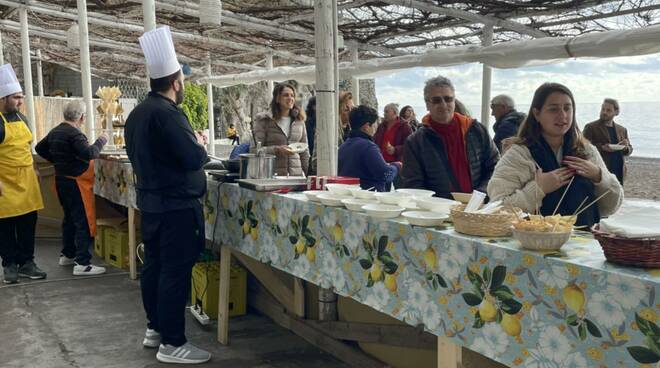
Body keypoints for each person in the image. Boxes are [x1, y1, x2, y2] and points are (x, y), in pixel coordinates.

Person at [124, 27, 211, 364]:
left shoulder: (137, 114)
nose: (184, 86)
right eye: (183, 81)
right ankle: (173, 343)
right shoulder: (168, 114)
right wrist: (201, 146)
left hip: (152, 203)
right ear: (176, 82)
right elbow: (192, 157)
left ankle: (155, 329)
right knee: (175, 272)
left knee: (155, 268)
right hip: (176, 206)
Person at [487, 83, 622, 228]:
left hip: (585, 245)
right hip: (532, 245)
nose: (562, 115)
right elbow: (497, 208)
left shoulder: (586, 151)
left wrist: (599, 176)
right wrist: (538, 188)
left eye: (567, 108)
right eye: (553, 109)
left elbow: (613, 206)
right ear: (537, 113)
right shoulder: (519, 155)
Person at [35, 101, 108, 275]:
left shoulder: (56, 131)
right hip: (76, 182)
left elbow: (39, 148)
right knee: (82, 221)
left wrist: (58, 161)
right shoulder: (75, 134)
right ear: (82, 117)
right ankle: (82, 263)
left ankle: (67, 254)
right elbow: (90, 153)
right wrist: (101, 140)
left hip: (60, 180)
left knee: (69, 218)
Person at [401, 76, 499, 198]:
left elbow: (495, 167)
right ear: (427, 104)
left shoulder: (476, 130)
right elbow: (413, 184)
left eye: (448, 99)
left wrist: (480, 195)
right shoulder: (415, 142)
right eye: (436, 100)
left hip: (477, 208)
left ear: (454, 101)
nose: (443, 104)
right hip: (437, 212)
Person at [0, 63, 46, 284]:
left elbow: (27, 146)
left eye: (20, 97)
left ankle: (27, 262)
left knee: (28, 222)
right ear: (3, 98)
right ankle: (9, 265)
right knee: (5, 226)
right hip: (4, 182)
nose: (20, 101)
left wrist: (35, 168)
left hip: (27, 179)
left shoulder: (22, 119)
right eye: (16, 97)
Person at [253, 82, 309, 176]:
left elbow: (305, 151)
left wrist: (308, 175)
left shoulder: (299, 121)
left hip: (295, 177)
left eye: (292, 95)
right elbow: (255, 150)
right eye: (286, 95)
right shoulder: (264, 120)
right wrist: (276, 149)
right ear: (277, 98)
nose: (290, 98)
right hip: (272, 175)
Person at [339, 105, 400, 192]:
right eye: (375, 123)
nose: (376, 126)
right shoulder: (368, 147)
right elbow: (385, 174)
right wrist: (396, 166)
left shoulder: (343, 146)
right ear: (367, 126)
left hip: (348, 195)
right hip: (367, 197)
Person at [583, 98, 632, 184]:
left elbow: (629, 150)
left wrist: (625, 147)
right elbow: (582, 147)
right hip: (600, 172)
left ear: (616, 112)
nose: (604, 112)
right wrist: (602, 147)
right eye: (603, 109)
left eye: (608, 110)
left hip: (619, 172)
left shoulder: (622, 130)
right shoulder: (591, 127)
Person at [308, 91, 354, 175]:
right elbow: (316, 162)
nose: (350, 112)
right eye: (346, 109)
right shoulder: (327, 129)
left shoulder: (352, 130)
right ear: (338, 110)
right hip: (325, 178)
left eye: (352, 109)